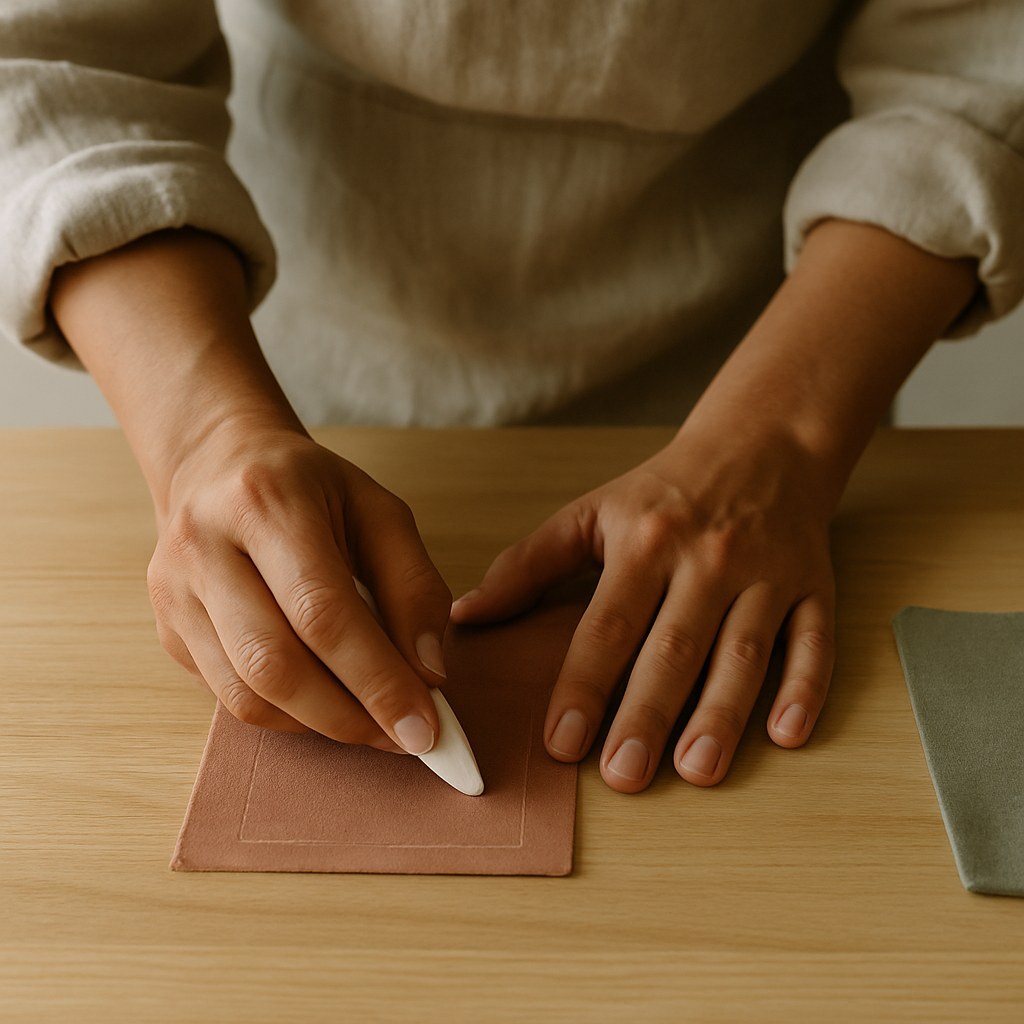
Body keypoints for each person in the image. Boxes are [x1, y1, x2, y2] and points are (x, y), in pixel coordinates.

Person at [2, 0, 1021, 794]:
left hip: (778, 364)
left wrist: (783, 438)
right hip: (275, 358)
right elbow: (58, 61)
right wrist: (204, 434)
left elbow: (977, 65)